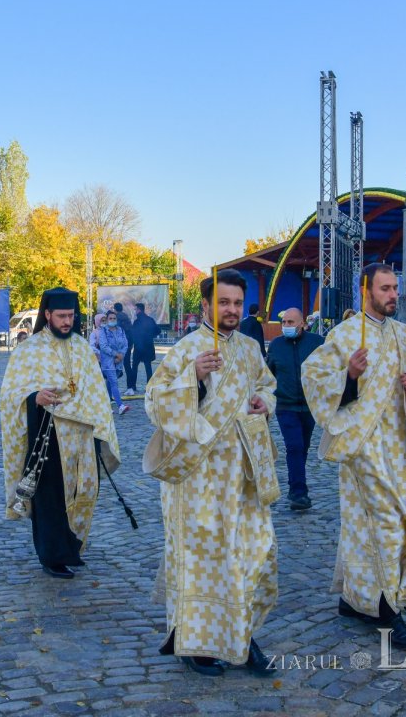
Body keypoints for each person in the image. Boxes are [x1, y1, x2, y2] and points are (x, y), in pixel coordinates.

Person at [145, 269, 279, 676]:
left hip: (243, 473)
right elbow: (155, 401)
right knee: (203, 558)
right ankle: (196, 643)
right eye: (224, 303)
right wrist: (195, 378)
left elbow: (267, 385)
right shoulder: (186, 349)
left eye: (237, 303)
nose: (232, 310)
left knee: (252, 552)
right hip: (198, 476)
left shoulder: (251, 348)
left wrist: (265, 403)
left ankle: (241, 635)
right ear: (205, 305)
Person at [301, 263, 406, 653]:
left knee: (361, 523)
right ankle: (388, 608)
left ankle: (354, 596)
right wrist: (348, 375)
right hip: (360, 446)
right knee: (389, 522)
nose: (393, 294)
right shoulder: (344, 335)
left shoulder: (403, 334)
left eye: (395, 288)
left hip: (396, 448)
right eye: (385, 288)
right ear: (367, 291)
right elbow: (313, 377)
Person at [0, 287, 120, 579]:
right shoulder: (29, 350)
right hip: (47, 436)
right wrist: (34, 397)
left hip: (82, 436)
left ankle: (71, 546)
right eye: (61, 316)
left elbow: (96, 390)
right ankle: (52, 556)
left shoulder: (82, 347)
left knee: (84, 490)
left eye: (71, 316)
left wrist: (100, 430)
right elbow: (10, 394)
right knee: (50, 497)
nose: (67, 321)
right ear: (48, 315)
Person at [265, 307, 324, 510]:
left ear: (302, 324)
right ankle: (299, 493)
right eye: (284, 322)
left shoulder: (317, 343)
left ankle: (295, 483)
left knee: (303, 446)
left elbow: (329, 369)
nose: (286, 326)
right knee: (294, 446)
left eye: (291, 322)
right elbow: (268, 375)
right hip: (286, 405)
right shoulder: (276, 345)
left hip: (309, 406)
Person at [90, 312, 129, 415]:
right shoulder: (103, 331)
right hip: (108, 362)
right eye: (110, 318)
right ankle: (120, 406)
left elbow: (125, 344)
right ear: (107, 320)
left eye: (114, 318)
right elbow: (104, 346)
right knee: (114, 382)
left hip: (119, 362)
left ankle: (106, 405)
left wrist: (121, 355)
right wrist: (116, 355)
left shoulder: (120, 330)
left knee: (110, 382)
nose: (112, 320)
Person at [125, 303, 158, 394]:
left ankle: (133, 386)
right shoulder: (150, 320)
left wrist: (132, 343)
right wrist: (150, 336)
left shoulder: (137, 322)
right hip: (148, 347)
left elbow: (133, 334)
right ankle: (149, 386)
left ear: (139, 310)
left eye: (135, 309)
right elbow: (158, 330)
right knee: (148, 367)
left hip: (138, 348)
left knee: (134, 367)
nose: (135, 311)